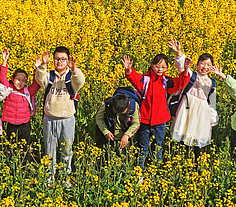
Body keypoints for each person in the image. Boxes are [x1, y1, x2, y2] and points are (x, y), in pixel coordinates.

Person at [123, 38, 186, 169]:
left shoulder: (167, 82)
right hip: (145, 120)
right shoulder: (145, 80)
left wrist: (185, 71)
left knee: (158, 148)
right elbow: (134, 78)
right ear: (152, 66)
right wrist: (129, 70)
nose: (159, 69)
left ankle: (154, 173)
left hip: (160, 122)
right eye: (157, 66)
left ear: (167, 68)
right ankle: (139, 172)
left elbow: (181, 82)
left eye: (163, 67)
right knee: (143, 148)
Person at [35, 47, 85, 182]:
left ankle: (65, 176)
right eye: (57, 59)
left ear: (68, 60)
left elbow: (80, 81)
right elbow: (39, 79)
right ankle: (49, 176)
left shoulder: (71, 77)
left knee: (67, 150)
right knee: (49, 150)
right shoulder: (49, 76)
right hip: (50, 118)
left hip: (67, 119)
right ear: (53, 60)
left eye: (63, 59)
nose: (60, 62)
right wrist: (43, 65)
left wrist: (74, 69)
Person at [170, 49, 218, 161]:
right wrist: (179, 54)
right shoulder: (191, 75)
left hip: (201, 115)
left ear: (211, 68)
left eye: (208, 64)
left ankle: (197, 166)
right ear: (197, 64)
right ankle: (182, 163)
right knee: (184, 139)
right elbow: (182, 67)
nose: (205, 67)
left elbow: (212, 103)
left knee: (199, 141)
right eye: (202, 63)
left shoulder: (212, 83)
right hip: (186, 111)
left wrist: (213, 120)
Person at [0, 48, 40, 155]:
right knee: (12, 147)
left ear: (26, 82)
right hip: (11, 124)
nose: (20, 82)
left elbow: (36, 83)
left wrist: (37, 69)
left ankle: (24, 166)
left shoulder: (27, 91)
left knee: (25, 148)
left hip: (24, 124)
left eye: (23, 81)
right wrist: (4, 62)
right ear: (12, 79)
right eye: (18, 79)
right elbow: (3, 79)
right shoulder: (9, 89)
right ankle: (13, 164)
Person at [93, 90, 140, 156]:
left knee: (123, 161)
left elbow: (136, 123)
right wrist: (106, 132)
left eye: (122, 113)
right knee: (103, 161)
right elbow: (98, 118)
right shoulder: (105, 104)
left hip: (124, 139)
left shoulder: (134, 106)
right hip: (106, 138)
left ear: (128, 104)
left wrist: (127, 135)